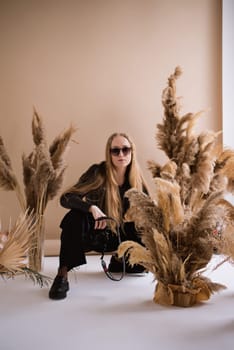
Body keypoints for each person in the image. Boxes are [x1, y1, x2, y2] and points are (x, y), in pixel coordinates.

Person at [49, 132, 150, 300]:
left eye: (125, 150)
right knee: (73, 217)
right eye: (115, 151)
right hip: (97, 234)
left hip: (120, 236)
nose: (121, 155)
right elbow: (66, 198)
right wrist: (91, 208)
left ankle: (118, 261)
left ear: (132, 151)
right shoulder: (98, 172)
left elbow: (149, 212)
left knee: (139, 267)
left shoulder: (136, 179)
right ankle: (62, 275)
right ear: (109, 153)